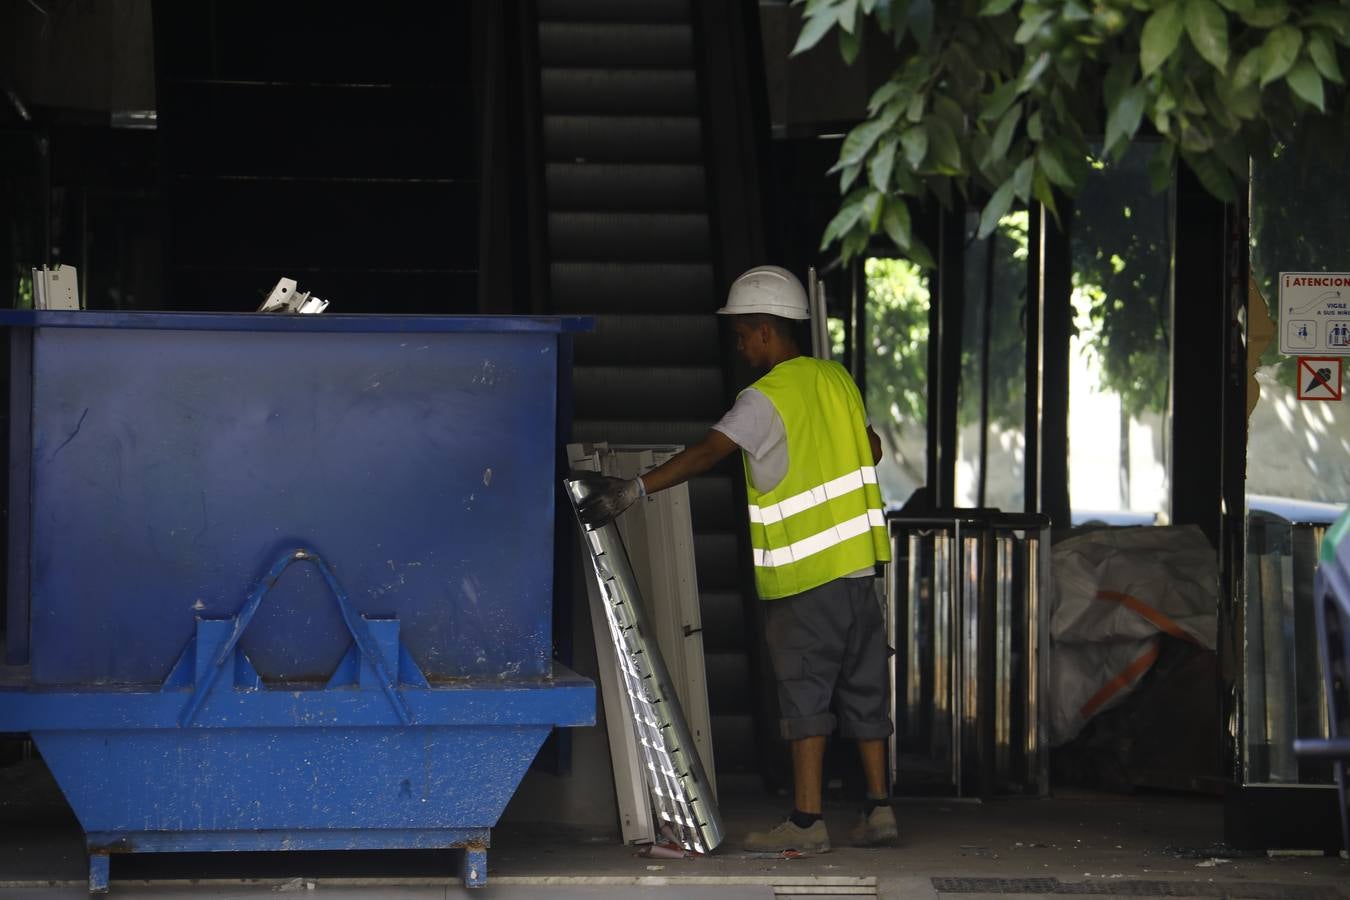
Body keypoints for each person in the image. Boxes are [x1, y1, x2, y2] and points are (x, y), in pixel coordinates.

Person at [576, 265, 897, 853]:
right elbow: (871, 449)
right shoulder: (837, 380)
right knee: (866, 690)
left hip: (807, 578)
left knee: (806, 695)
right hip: (859, 572)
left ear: (768, 331)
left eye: (744, 333)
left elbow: (707, 453)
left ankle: (807, 822)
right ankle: (880, 812)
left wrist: (633, 490)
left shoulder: (765, 397)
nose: (740, 344)